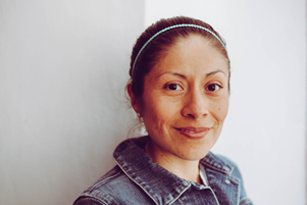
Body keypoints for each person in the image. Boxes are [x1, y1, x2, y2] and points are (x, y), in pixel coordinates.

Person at [73, 16, 253, 205]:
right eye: (173, 87)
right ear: (136, 98)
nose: (198, 110)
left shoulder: (229, 174)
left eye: (213, 87)